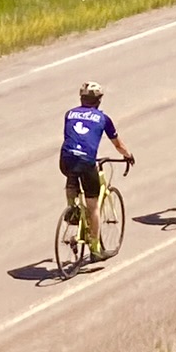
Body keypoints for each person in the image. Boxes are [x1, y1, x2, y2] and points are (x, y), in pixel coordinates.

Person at [60, 81, 134, 258]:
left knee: (72, 173)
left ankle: (72, 208)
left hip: (66, 158)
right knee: (93, 206)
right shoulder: (103, 118)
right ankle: (95, 249)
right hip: (86, 161)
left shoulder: (69, 114)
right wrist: (128, 156)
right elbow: (118, 145)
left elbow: (71, 137)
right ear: (99, 100)